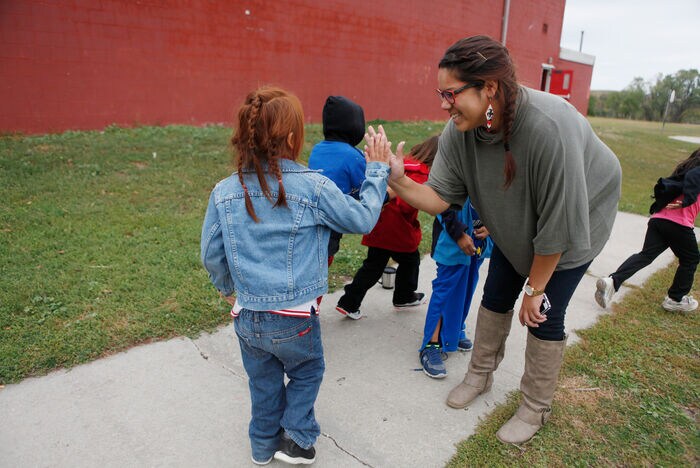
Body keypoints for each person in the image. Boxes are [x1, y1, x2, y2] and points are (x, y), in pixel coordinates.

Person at [368, 35, 621, 444]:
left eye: (451, 94)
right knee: (496, 294)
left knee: (542, 314)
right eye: (441, 93)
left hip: (576, 222)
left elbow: (557, 228)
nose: (443, 105)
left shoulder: (550, 127)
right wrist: (397, 179)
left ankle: (535, 408)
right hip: (516, 221)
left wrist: (536, 289)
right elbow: (438, 197)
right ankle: (480, 375)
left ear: (489, 87)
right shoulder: (462, 130)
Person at [200, 86, 392, 465]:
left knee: (263, 382)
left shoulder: (224, 191)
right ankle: (298, 438)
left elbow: (210, 252)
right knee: (307, 371)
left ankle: (261, 446)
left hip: (248, 317)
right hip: (295, 319)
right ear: (292, 137)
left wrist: (227, 290)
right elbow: (363, 218)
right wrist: (377, 170)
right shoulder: (314, 186)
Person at [335, 136, 434, 319]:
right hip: (399, 230)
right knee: (410, 261)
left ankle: (349, 302)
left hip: (378, 223)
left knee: (373, 266)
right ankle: (404, 296)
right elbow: (407, 204)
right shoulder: (421, 174)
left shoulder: (402, 164)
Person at [596, 148, 700, 313]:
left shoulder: (683, 173)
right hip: (678, 224)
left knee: (646, 255)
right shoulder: (695, 173)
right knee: (691, 259)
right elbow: (696, 176)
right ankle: (676, 299)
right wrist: (686, 201)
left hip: (658, 220)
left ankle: (612, 281)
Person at [419, 199, 493, 378]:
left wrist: (491, 227)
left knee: (467, 286)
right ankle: (431, 344)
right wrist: (458, 233)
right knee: (445, 291)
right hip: (452, 238)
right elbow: (439, 201)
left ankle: (455, 328)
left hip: (478, 240)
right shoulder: (454, 170)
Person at [308, 96, 367, 264]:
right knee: (323, 263)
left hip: (312, 217)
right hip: (332, 221)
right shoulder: (353, 156)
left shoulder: (317, 149)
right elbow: (364, 190)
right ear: (355, 127)